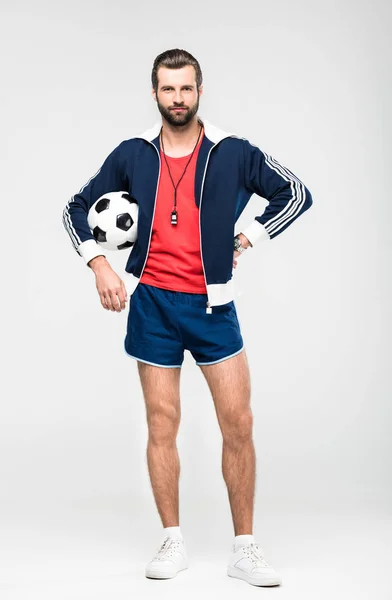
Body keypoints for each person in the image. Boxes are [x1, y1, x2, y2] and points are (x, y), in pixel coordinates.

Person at [62, 48, 313, 587]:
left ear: (200, 90)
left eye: (187, 88)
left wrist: (248, 235)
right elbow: (74, 208)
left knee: (238, 423)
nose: (178, 98)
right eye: (168, 89)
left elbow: (295, 194)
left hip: (211, 305)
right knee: (161, 424)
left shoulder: (233, 152)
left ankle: (244, 548)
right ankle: (172, 539)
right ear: (154, 93)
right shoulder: (132, 152)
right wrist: (100, 265)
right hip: (151, 302)